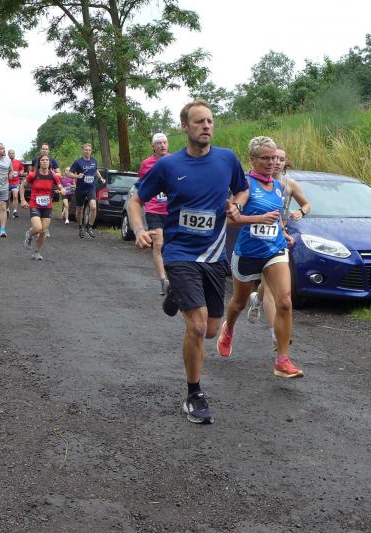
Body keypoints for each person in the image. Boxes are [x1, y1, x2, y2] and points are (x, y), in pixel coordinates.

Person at [128, 99, 249, 425]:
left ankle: (177, 295)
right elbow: (136, 200)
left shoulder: (227, 159)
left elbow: (243, 190)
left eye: (210, 121)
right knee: (196, 325)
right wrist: (139, 230)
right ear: (184, 127)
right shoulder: (168, 166)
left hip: (214, 255)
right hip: (179, 253)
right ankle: (194, 394)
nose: (206, 126)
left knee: (210, 330)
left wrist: (236, 205)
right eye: (199, 121)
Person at [216, 136, 304, 379]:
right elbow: (230, 220)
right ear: (253, 159)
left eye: (275, 158)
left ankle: (282, 360)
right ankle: (229, 328)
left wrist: (282, 232)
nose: (272, 162)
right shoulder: (245, 185)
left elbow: (276, 218)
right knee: (239, 303)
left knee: (284, 301)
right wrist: (258, 219)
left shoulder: (279, 186)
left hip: (274, 250)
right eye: (266, 158)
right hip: (248, 252)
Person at [247, 148, 311, 338]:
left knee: (269, 284)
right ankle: (274, 332)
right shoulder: (256, 183)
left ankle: (258, 303)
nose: (276, 162)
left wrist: (301, 212)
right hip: (260, 236)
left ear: (285, 163)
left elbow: (307, 204)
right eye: (273, 158)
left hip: (280, 235)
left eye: (281, 159)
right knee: (268, 284)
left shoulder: (288, 184)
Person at [137, 132, 171, 295]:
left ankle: (175, 277)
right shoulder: (146, 164)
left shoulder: (174, 161)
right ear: (153, 146)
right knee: (158, 243)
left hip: (171, 210)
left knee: (171, 246)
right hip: (154, 209)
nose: (162, 145)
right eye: (159, 143)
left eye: (164, 142)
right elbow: (141, 186)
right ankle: (164, 280)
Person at [20, 155, 66, 260]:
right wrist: (22, 200)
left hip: (47, 206)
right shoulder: (33, 175)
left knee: (44, 231)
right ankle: (29, 235)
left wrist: (62, 190)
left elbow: (60, 186)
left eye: (47, 160)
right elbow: (22, 185)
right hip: (35, 204)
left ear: (49, 163)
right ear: (39, 163)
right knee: (38, 228)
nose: (45, 161)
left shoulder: (53, 176)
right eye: (42, 160)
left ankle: (37, 253)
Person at [68, 143, 105, 238]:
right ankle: (80, 227)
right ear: (83, 151)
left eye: (89, 150)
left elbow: (95, 170)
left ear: (91, 151)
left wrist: (101, 178)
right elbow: (69, 173)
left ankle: (90, 227)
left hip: (91, 188)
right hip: (80, 188)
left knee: (93, 207)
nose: (87, 151)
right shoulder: (78, 162)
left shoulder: (94, 161)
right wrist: (77, 176)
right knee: (79, 210)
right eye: (86, 150)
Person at [8, 148, 25, 218]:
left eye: (13, 153)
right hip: (6, 182)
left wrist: (21, 172)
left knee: (15, 196)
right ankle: (7, 209)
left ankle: (15, 211)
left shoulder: (18, 162)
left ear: (14, 154)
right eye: (10, 153)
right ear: (8, 154)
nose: (12, 154)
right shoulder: (6, 162)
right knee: (6, 198)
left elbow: (22, 168)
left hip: (15, 182)